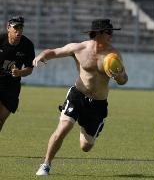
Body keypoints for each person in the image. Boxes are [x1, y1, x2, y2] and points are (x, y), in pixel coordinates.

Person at [34, 19, 128, 175]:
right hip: (78, 95)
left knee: (86, 146)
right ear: (98, 33)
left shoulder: (114, 55)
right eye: (109, 32)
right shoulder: (79, 48)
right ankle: (45, 164)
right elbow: (54, 51)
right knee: (63, 128)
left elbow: (124, 80)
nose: (111, 35)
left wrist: (119, 77)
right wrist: (42, 55)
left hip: (98, 104)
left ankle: (87, 126)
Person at [0, 16, 35, 131]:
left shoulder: (27, 45)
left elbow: (29, 69)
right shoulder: (1, 40)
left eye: (21, 28)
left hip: (12, 87)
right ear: (8, 28)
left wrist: (19, 72)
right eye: (16, 28)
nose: (18, 31)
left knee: (1, 120)